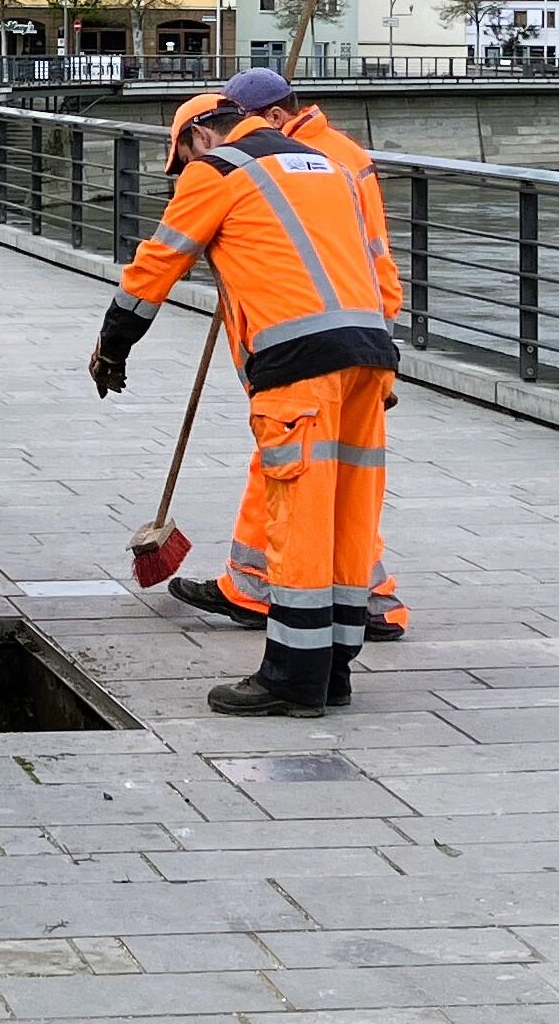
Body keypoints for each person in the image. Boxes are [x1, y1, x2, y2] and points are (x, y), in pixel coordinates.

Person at [87, 92, 397, 717]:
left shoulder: (218, 170)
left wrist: (113, 345)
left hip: (298, 366)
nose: (184, 173)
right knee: (346, 515)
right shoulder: (322, 166)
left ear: (201, 136)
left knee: (302, 519)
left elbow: (158, 264)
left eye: (182, 158)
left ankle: (291, 679)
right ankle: (333, 670)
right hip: (369, 353)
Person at [166, 68, 412, 642]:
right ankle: (258, 586)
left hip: (322, 351)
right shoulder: (317, 156)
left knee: (323, 478)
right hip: (341, 345)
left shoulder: (316, 161)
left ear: (271, 119)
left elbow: (368, 263)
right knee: (297, 468)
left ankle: (360, 602)